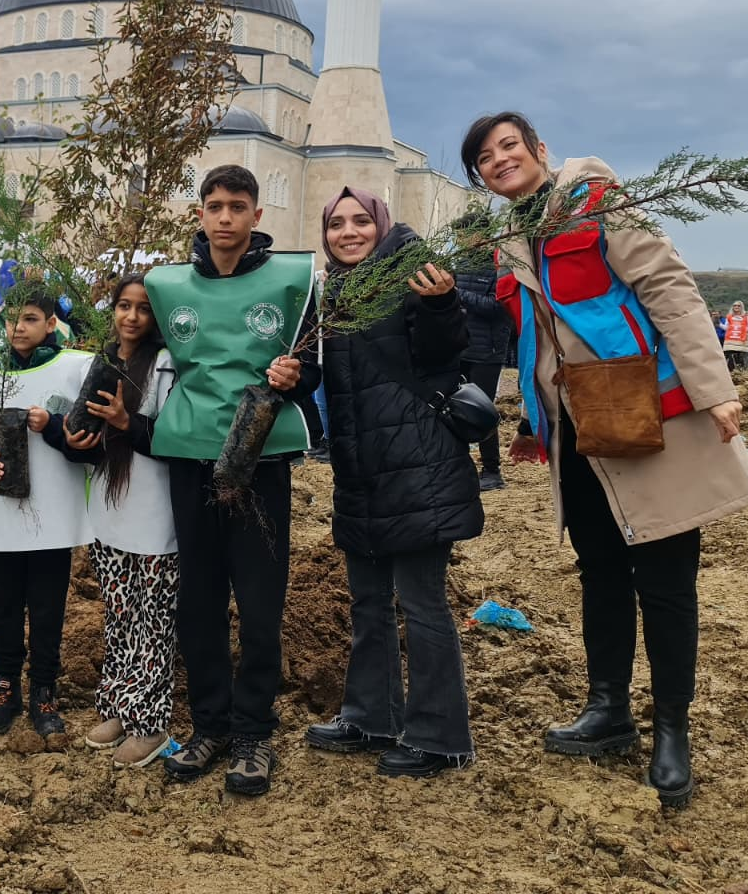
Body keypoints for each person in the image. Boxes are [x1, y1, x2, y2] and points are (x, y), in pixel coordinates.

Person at [463, 111, 748, 808]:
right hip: (574, 430)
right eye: (484, 156)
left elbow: (667, 286)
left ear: (539, 149)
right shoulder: (508, 236)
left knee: (663, 577)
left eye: (510, 145)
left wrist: (714, 388)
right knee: (599, 570)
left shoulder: (595, 200)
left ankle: (672, 731)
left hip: (643, 413)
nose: (500, 159)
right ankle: (609, 710)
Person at [143, 164, 321, 797]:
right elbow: (135, 353)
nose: (224, 217)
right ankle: (210, 725)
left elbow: (314, 370)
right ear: (199, 214)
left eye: (236, 206)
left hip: (260, 458)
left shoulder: (294, 283)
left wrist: (294, 378)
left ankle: (253, 732)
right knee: (198, 599)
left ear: (256, 215)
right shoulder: (165, 285)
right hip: (190, 457)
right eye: (213, 205)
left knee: (261, 600)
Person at [303, 188, 482, 778]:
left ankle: (440, 736)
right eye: (335, 223)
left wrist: (440, 304)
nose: (347, 232)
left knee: (422, 602)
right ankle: (371, 714)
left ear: (381, 225)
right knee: (368, 600)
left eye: (359, 221)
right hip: (362, 468)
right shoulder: (337, 293)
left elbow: (444, 348)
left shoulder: (414, 274)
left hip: (418, 464)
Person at [0, 285, 92, 739]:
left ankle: (44, 690)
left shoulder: (73, 371)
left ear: (52, 324)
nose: (18, 327)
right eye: (12, 319)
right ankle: (6, 689)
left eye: (31, 318)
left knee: (48, 608)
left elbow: (84, 447)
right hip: (2, 515)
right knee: (4, 606)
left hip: (52, 515)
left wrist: (51, 426)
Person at [68, 274, 180, 769]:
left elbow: (174, 436)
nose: (130, 317)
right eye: (122, 306)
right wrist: (78, 438)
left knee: (153, 619)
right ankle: (117, 705)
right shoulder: (105, 360)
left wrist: (124, 423)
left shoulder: (168, 364)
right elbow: (85, 425)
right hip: (110, 511)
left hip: (155, 513)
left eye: (142, 308)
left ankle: (150, 722)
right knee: (119, 616)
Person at [452, 207, 513, 491]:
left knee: (483, 410)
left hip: (487, 352)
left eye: (463, 235)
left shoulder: (499, 265)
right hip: (459, 349)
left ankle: (492, 470)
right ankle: (460, 466)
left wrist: (458, 293)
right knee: (454, 409)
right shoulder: (458, 263)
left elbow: (498, 307)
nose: (460, 240)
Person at [718, 301, 748, 372]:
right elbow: (726, 327)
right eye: (735, 305)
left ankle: (740, 373)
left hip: (741, 341)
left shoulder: (746, 317)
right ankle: (731, 373)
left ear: (741, 307)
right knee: (730, 359)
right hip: (730, 341)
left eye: (738, 306)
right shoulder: (729, 316)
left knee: (740, 359)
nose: (736, 307)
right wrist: (719, 324)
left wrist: (741, 328)